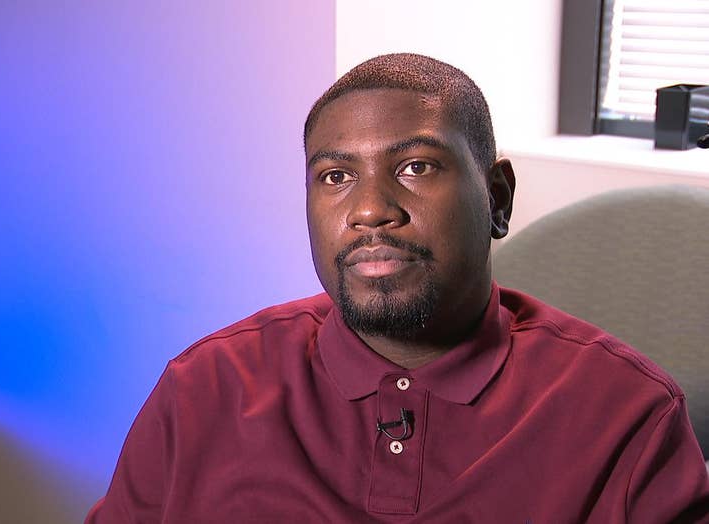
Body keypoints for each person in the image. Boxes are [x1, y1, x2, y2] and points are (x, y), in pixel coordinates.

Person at [86, 53, 709, 522]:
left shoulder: (628, 415)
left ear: (496, 198)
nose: (370, 209)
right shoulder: (205, 389)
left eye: (415, 167)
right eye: (335, 175)